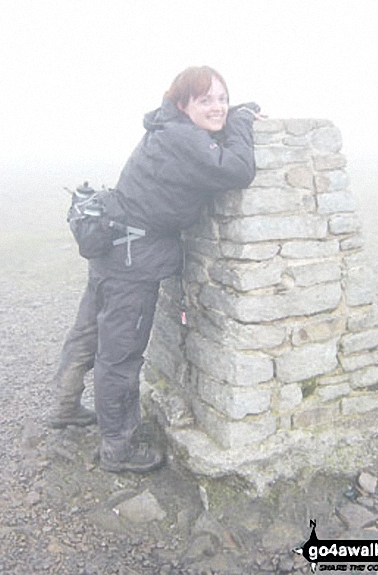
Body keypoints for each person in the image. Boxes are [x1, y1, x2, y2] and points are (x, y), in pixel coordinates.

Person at [48, 66, 262, 473]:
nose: (218, 107)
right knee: (121, 356)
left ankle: (63, 406)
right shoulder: (183, 138)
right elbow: (238, 169)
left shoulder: (169, 128)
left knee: (89, 331)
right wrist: (242, 120)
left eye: (223, 98)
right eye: (206, 100)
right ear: (183, 104)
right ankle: (118, 448)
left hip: (113, 246)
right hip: (133, 260)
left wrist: (233, 115)